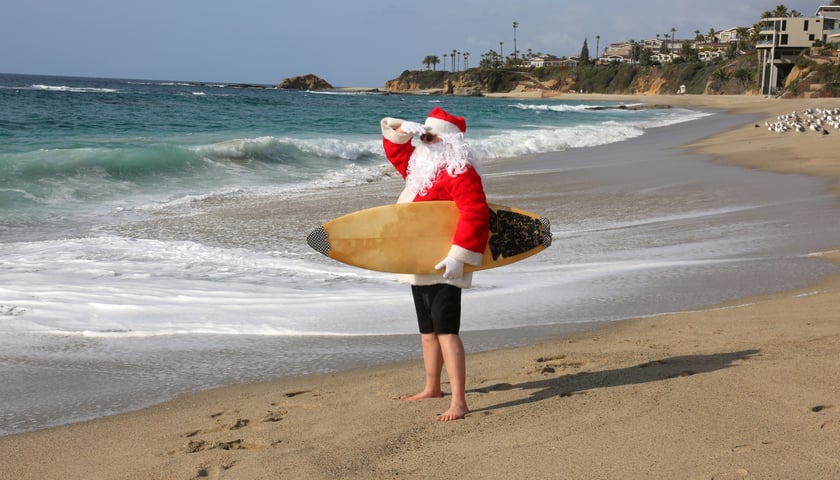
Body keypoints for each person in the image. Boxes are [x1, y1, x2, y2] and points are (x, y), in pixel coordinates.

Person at [380, 107, 490, 421]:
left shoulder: (459, 170)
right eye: (423, 136)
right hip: (420, 260)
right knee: (427, 331)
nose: (424, 141)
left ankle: (459, 401)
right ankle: (432, 387)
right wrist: (401, 128)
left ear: (448, 141)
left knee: (446, 332)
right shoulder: (424, 166)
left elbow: (476, 211)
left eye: (429, 136)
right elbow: (397, 153)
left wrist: (459, 256)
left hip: (446, 261)